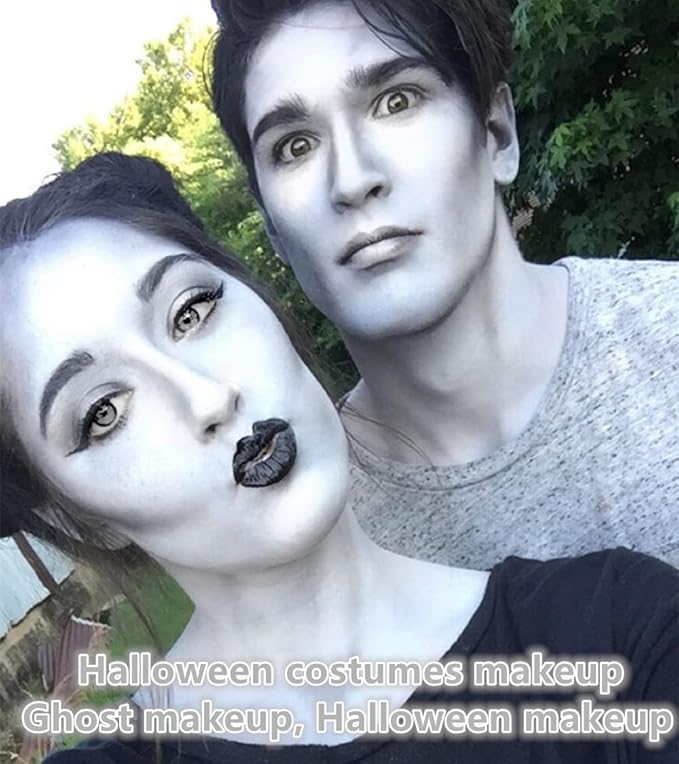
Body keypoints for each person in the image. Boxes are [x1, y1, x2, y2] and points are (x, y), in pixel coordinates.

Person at [0, 153, 676, 763]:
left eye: (191, 311)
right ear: (79, 520)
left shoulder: (620, 630)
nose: (208, 397)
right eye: (103, 413)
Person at [209, 0, 679, 569]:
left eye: (396, 101)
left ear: (496, 133)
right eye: (295, 146)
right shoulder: (306, 538)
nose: (352, 180)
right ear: (273, 231)